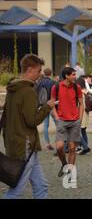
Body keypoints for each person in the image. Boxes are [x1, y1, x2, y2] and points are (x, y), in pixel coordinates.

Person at [2, 55, 55, 199]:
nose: (40, 74)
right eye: (38, 71)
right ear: (30, 69)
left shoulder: (12, 90)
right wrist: (47, 107)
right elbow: (32, 120)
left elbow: (4, 119)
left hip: (17, 144)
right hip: (25, 146)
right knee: (16, 191)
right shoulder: (28, 91)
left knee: (41, 186)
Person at [51, 67, 84, 179]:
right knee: (59, 147)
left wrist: (79, 119)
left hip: (75, 121)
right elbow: (51, 104)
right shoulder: (56, 87)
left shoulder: (77, 87)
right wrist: (56, 117)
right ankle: (64, 164)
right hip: (62, 121)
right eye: (73, 74)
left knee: (71, 148)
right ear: (66, 76)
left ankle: (70, 172)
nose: (75, 76)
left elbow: (81, 104)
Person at [36, 68, 56, 150]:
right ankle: (59, 141)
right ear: (51, 73)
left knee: (45, 125)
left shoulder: (39, 82)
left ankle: (47, 143)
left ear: (44, 73)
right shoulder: (53, 82)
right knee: (58, 124)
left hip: (42, 105)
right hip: (51, 105)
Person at [77, 76, 92, 156]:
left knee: (78, 131)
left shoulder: (80, 93)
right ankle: (84, 146)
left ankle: (85, 147)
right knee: (83, 131)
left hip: (81, 113)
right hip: (86, 113)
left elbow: (80, 105)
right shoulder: (86, 92)